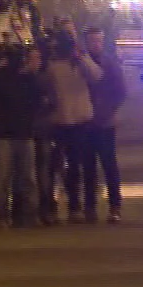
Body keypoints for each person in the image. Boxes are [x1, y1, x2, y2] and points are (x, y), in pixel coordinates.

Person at [44, 27, 102, 224]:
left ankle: (86, 207)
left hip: (81, 119)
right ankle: (63, 206)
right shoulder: (52, 65)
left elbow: (97, 76)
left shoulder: (80, 62)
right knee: (59, 167)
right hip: (59, 120)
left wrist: (80, 59)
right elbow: (46, 88)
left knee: (84, 165)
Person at [0, 41, 47, 226]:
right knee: (4, 177)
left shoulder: (30, 79)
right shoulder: (3, 77)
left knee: (27, 177)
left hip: (25, 133)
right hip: (5, 134)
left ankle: (28, 214)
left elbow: (39, 100)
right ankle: (3, 215)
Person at [80, 26, 128, 223]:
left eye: (98, 41)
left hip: (105, 122)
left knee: (109, 165)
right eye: (92, 41)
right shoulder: (81, 63)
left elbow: (120, 91)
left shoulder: (110, 63)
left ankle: (114, 206)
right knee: (88, 167)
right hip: (85, 121)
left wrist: (109, 110)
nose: (95, 45)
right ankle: (89, 208)